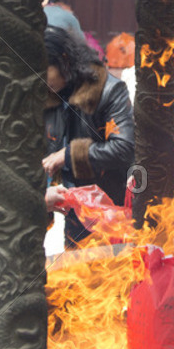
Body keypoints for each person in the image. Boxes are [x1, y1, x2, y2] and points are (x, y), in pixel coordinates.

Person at [41, 26, 135, 248]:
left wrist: (70, 154)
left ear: (64, 61)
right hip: (72, 210)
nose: (40, 79)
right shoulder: (47, 94)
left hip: (109, 209)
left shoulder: (108, 91)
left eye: (44, 70)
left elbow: (123, 147)